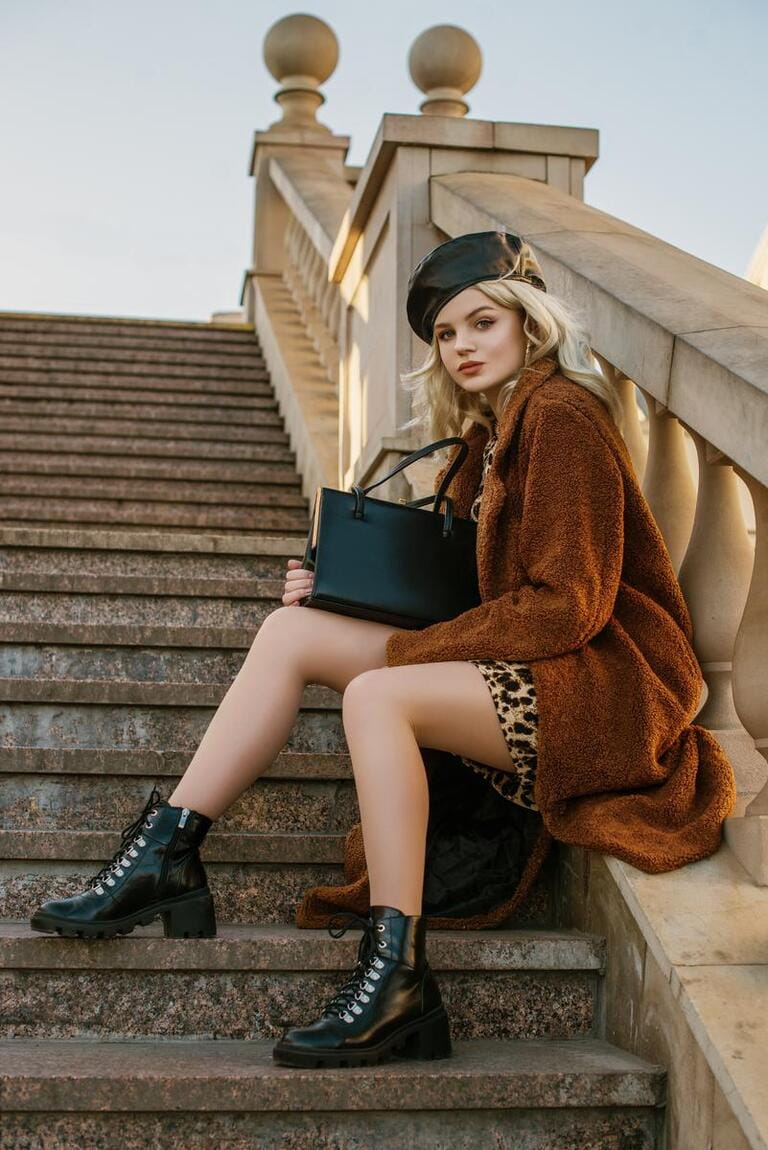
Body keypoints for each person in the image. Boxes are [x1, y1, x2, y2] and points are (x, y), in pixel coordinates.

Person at [28, 231, 736, 1070]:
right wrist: (335, 596)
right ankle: (167, 855)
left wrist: (406, 651)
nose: (462, 346)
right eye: (445, 334)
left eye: (482, 323)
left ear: (529, 321)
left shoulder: (561, 415)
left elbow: (567, 606)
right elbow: (470, 602)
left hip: (605, 693)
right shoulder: (488, 438)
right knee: (292, 630)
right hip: (539, 670)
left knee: (377, 695)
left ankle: (399, 982)